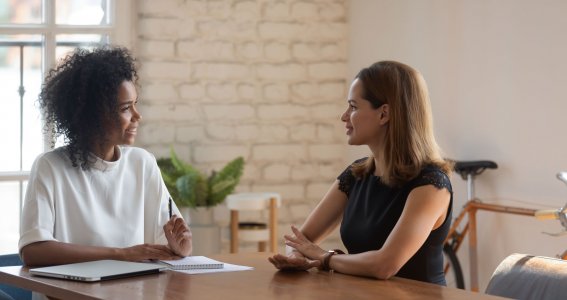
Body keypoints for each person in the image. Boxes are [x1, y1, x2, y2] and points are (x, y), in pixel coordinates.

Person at [268, 61, 453, 285]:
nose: (344, 116)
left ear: (384, 114)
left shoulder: (431, 184)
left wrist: (323, 257)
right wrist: (297, 256)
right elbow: (301, 240)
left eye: (353, 107)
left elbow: (384, 265)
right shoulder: (356, 174)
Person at [19, 46, 192, 267]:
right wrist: (122, 254)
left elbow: (169, 242)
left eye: (135, 105)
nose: (137, 116)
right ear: (93, 115)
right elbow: (33, 252)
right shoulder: (50, 167)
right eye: (125, 108)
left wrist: (182, 246)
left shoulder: (142, 163)